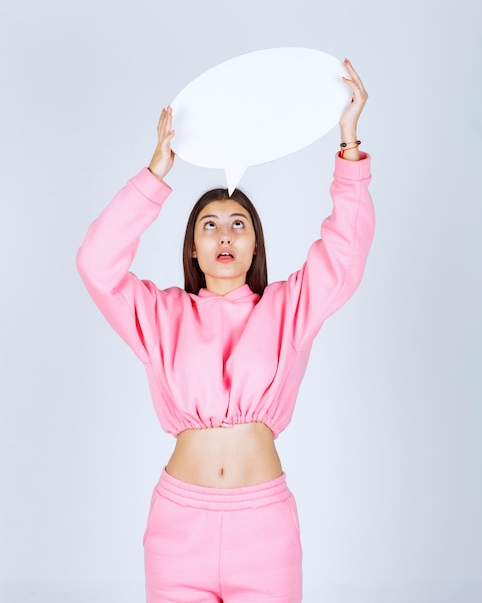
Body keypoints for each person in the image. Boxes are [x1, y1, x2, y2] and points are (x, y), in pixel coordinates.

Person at [76, 59, 374, 603]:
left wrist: (349, 144)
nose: (225, 234)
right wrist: (154, 175)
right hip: (177, 531)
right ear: (192, 247)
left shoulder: (288, 307)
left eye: (239, 224)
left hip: (263, 533)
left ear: (256, 245)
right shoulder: (160, 315)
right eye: (208, 225)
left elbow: (345, 256)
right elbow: (96, 264)